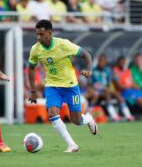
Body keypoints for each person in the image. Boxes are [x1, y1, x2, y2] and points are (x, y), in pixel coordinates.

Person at [28, 20, 97, 153]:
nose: (38, 38)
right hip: (52, 86)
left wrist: (88, 69)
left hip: (71, 86)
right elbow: (31, 68)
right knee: (52, 113)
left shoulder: (63, 44)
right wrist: (32, 90)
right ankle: (72, 145)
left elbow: (86, 55)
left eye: (41, 34)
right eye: (37, 34)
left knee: (76, 120)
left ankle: (88, 119)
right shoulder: (35, 49)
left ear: (50, 32)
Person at [92, 54, 135, 121]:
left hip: (107, 91)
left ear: (106, 62)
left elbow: (111, 81)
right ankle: (114, 116)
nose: (101, 63)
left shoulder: (108, 70)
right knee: (107, 92)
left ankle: (128, 116)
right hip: (97, 92)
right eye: (100, 61)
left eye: (103, 61)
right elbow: (90, 84)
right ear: (98, 61)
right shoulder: (93, 71)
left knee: (117, 94)